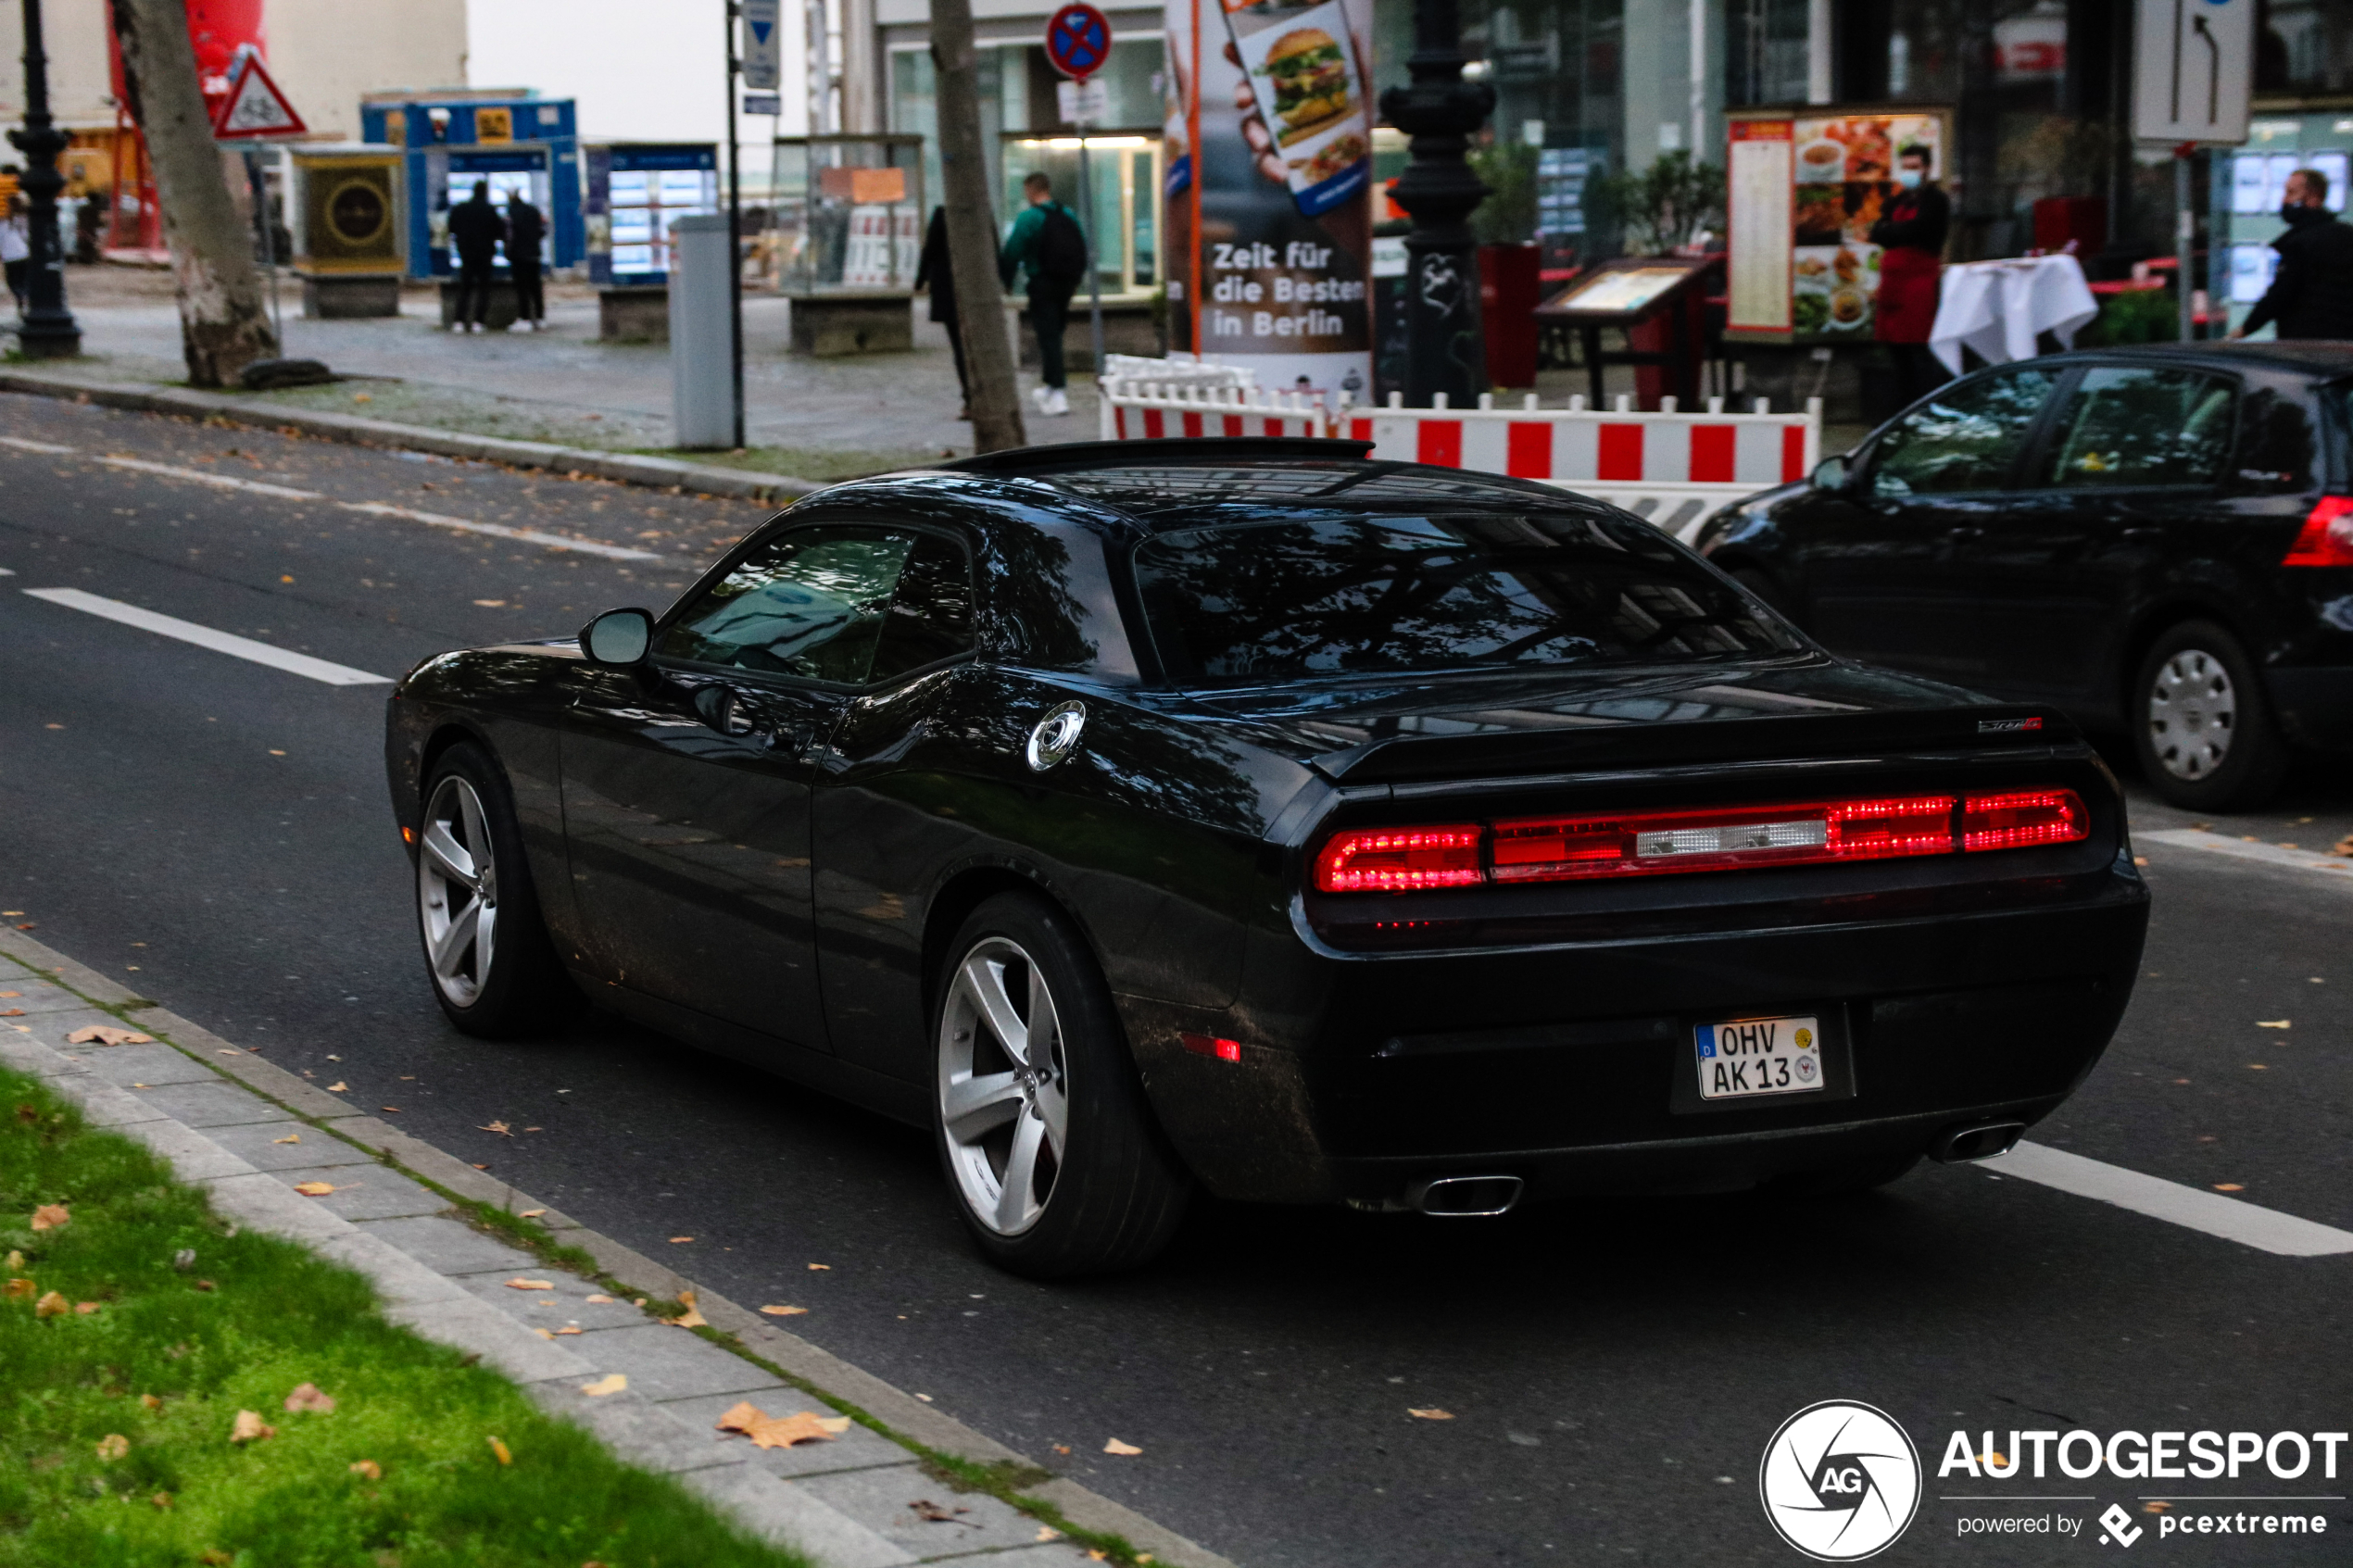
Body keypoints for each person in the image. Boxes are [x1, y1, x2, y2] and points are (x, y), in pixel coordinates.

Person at [1000, 171, 1088, 417]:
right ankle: (1050, 386)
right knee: (1055, 333)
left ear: (1030, 190)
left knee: (1048, 337)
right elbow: (1081, 244)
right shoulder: (1067, 213)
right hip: (1067, 283)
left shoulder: (1030, 217)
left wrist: (1005, 280)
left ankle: (1058, 390)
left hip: (1042, 283)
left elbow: (1013, 251)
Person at [1869, 143, 1951, 408]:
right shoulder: (1897, 199)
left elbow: (1920, 230)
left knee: (1919, 348)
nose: (1909, 172)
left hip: (1918, 283)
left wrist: (1892, 230)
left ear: (1927, 168)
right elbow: (1876, 231)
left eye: (1914, 167)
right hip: (1892, 283)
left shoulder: (1937, 200)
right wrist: (1895, 231)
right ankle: (1902, 407)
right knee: (1895, 350)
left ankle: (1926, 406)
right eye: (1905, 168)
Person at [2229, 167, 2353, 342]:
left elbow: (2281, 293)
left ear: (2314, 198)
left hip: (2305, 342)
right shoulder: (2347, 235)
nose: (2285, 200)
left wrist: (2245, 329)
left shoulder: (2299, 244)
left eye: (2291, 193)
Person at [915, 206, 968, 419]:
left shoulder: (942, 213)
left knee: (960, 347)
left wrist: (920, 281)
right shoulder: (979, 211)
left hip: (947, 289)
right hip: (971, 289)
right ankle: (974, 397)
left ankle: (970, 399)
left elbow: (930, 249)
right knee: (966, 346)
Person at [446, 180, 505, 334]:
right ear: (485, 192)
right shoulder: (489, 210)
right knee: (483, 289)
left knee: (465, 287)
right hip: (485, 254)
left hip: (466, 253)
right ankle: (479, 321)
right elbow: (500, 231)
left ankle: (459, 321)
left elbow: (451, 228)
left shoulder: (461, 208)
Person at [503, 188, 547, 332]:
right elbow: (544, 227)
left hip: (518, 256)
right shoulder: (533, 210)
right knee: (535, 287)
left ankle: (525, 318)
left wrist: (508, 251)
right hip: (534, 253)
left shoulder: (511, 213)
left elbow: (508, 235)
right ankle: (540, 318)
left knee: (522, 288)